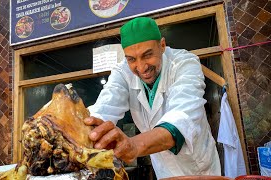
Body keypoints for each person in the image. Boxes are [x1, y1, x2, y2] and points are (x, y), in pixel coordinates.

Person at [85, 17, 221, 179]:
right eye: (132, 59)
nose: (141, 67)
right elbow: (105, 106)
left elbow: (181, 118)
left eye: (147, 55)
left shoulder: (184, 63)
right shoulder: (122, 72)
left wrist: (134, 146)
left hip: (198, 166)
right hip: (162, 167)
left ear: (162, 45)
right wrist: (89, 128)